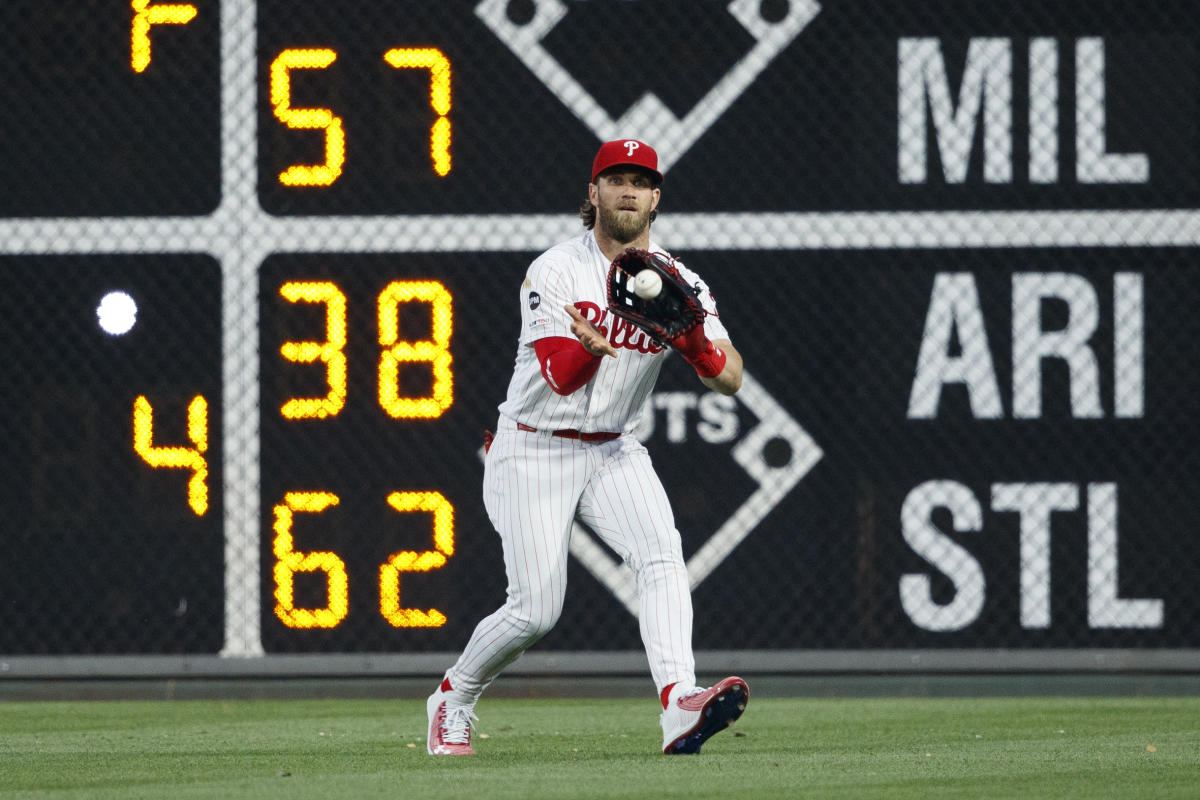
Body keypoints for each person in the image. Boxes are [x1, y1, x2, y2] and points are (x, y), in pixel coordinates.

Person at [427, 139, 748, 756]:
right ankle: (454, 695)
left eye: (640, 181)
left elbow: (730, 378)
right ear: (593, 193)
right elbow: (559, 375)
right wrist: (591, 347)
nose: (628, 190)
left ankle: (679, 705)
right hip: (531, 448)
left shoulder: (681, 282)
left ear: (656, 198)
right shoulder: (556, 269)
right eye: (615, 179)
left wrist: (697, 347)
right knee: (535, 612)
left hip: (613, 449)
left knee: (662, 559)